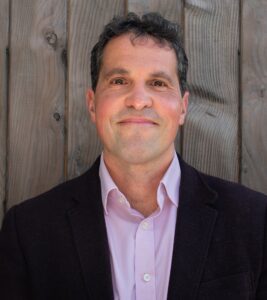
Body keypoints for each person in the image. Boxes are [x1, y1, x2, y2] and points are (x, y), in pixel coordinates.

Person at [0, 12, 267, 300]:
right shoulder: (29, 231)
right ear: (92, 104)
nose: (138, 100)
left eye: (158, 83)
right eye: (118, 81)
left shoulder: (255, 221)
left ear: (183, 108)